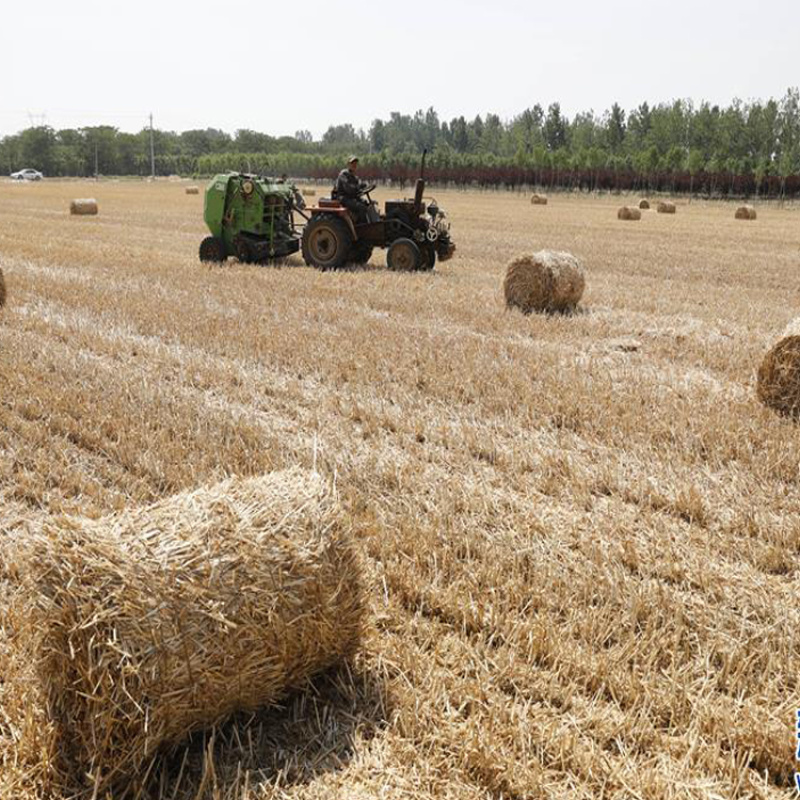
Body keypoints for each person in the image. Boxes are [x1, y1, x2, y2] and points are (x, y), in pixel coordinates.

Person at [333, 156, 369, 224]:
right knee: (361, 208)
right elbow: (349, 189)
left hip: (351, 198)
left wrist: (364, 185)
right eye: (352, 163)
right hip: (343, 198)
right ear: (348, 164)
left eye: (355, 163)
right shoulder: (343, 174)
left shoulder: (354, 176)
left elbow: (359, 185)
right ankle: (363, 228)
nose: (354, 165)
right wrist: (359, 187)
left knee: (368, 204)